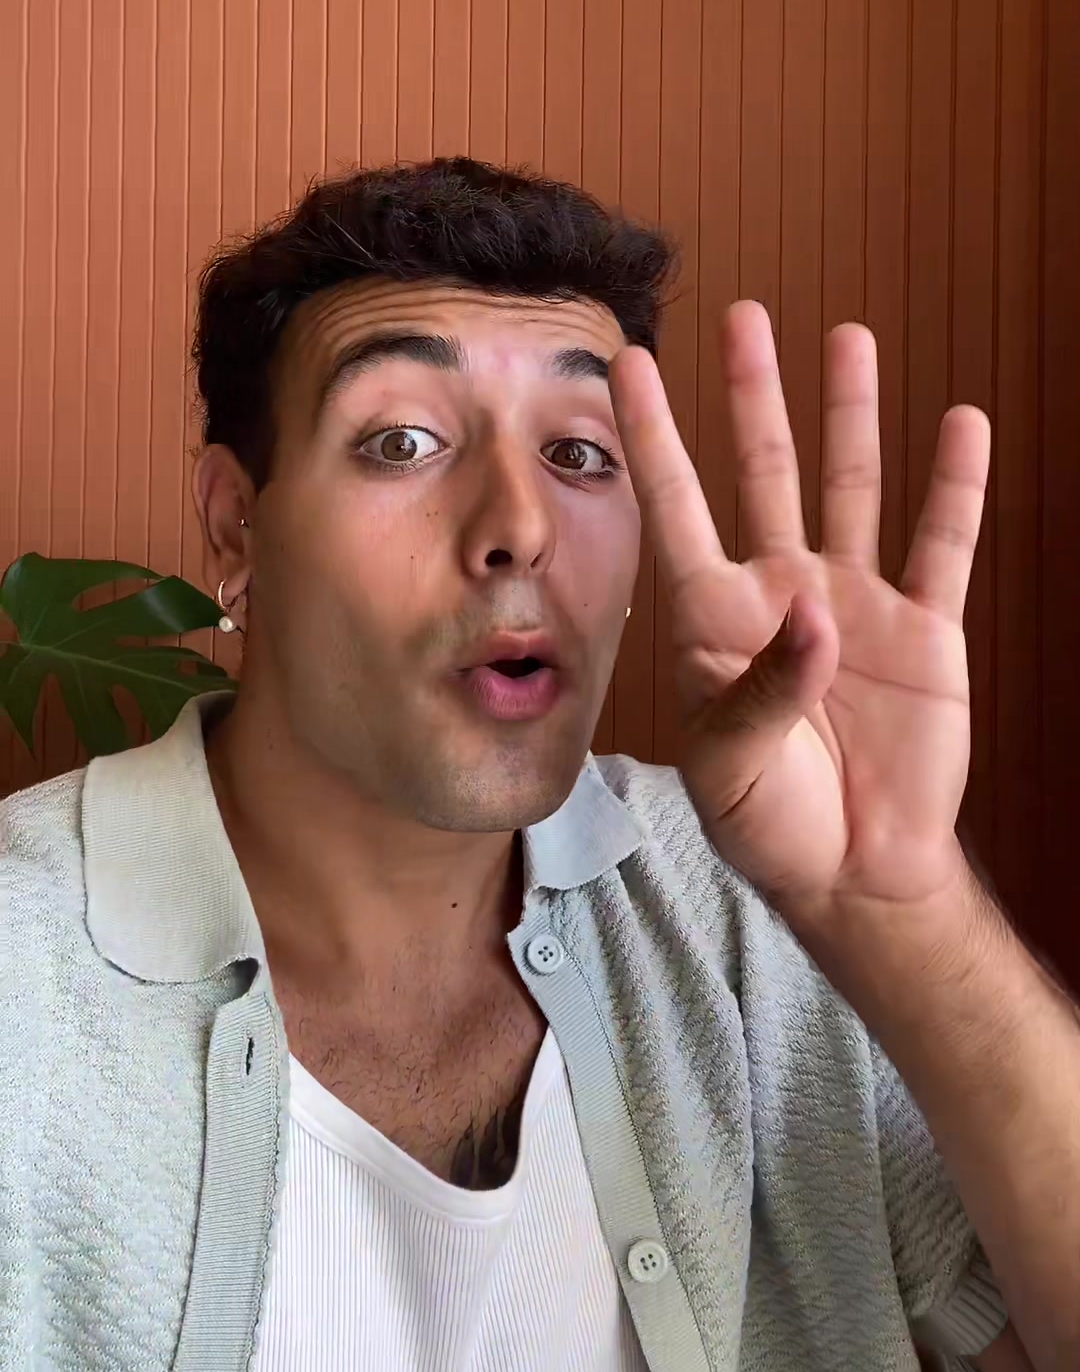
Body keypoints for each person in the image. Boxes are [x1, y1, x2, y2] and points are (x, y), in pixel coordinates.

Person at [0, 156, 1075, 1372]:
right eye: (403, 440)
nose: (519, 525)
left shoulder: (748, 914)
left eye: (580, 454)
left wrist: (901, 908)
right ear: (236, 525)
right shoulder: (23, 980)